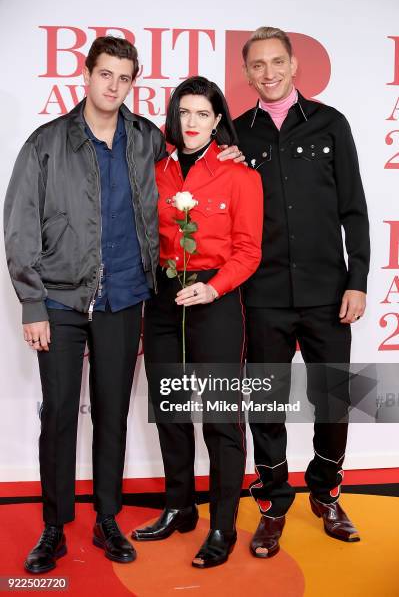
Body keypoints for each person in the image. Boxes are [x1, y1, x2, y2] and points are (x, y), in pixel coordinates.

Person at [3, 37, 241, 574]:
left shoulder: (145, 140)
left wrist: (228, 149)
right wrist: (31, 303)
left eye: (124, 78)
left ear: (133, 83)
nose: (113, 86)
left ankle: (107, 518)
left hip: (126, 298)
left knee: (111, 414)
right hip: (61, 300)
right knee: (60, 414)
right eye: (104, 74)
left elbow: (191, 167)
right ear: (85, 75)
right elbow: (18, 226)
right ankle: (52, 527)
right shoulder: (46, 142)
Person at [234, 27, 370, 558]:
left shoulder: (331, 124)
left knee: (334, 400)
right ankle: (273, 505)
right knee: (264, 403)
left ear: (294, 66)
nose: (268, 73)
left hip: (327, 293)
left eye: (277, 62)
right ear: (246, 74)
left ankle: (327, 491)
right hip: (262, 293)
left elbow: (354, 209)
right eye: (258, 65)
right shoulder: (237, 135)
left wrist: (357, 280)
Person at [131, 76, 263, 568]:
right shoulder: (155, 167)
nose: (191, 123)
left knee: (221, 420)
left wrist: (214, 286)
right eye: (184, 113)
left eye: (202, 114)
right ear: (174, 116)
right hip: (164, 299)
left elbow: (250, 250)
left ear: (217, 120)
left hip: (215, 298)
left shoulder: (240, 175)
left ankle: (223, 524)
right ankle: (178, 507)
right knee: (170, 411)